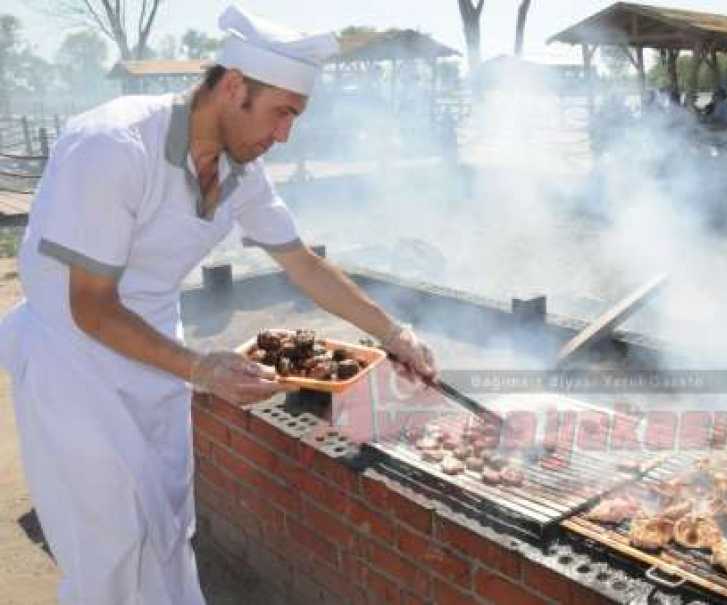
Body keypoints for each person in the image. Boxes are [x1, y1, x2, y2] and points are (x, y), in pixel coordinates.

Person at [0, 5, 437, 604]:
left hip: (155, 356)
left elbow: (303, 263)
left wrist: (395, 332)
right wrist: (201, 369)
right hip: (75, 365)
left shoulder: (240, 173)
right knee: (111, 548)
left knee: (169, 529)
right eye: (282, 113)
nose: (284, 134)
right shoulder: (114, 146)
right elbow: (92, 308)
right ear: (234, 87)